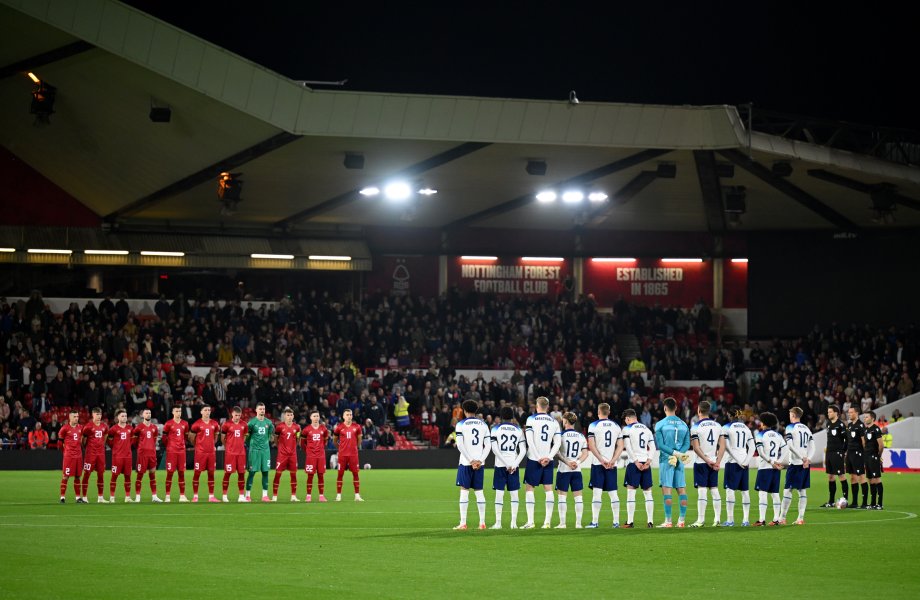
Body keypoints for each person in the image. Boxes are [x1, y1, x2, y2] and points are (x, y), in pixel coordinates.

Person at [522, 396, 562, 529]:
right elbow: (557, 443)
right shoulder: (554, 422)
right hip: (548, 460)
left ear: (537, 406)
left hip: (534, 459)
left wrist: (538, 457)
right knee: (548, 489)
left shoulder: (531, 419)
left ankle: (531, 522)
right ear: (548, 407)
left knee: (529, 488)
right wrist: (549, 457)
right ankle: (547, 522)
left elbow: (530, 441)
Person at [453, 399, 491, 530]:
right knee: (479, 491)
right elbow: (488, 445)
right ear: (476, 411)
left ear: (464, 411)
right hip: (480, 463)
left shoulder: (461, 424)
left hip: (465, 463)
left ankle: (463, 523)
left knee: (464, 491)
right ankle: (482, 523)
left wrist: (470, 460)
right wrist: (480, 460)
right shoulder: (484, 425)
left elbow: (460, 445)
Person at [586, 402, 625, 528]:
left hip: (598, 464)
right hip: (611, 464)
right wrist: (613, 460)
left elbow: (591, 445)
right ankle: (616, 522)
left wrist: (602, 460)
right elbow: (620, 446)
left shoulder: (593, 425)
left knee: (597, 493)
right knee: (613, 493)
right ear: (609, 412)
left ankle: (595, 522)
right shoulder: (616, 426)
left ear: (598, 412)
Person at [654, 397, 691, 528]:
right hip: (680, 460)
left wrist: (673, 454)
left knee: (667, 490)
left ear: (664, 408)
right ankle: (681, 521)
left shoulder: (660, 424)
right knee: (681, 490)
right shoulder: (684, 424)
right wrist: (679, 454)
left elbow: (661, 445)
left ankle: (668, 521)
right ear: (676, 408)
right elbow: (687, 443)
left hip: (666, 460)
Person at [489, 405, 526, 529]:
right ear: (512, 417)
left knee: (499, 494)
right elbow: (523, 450)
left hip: (500, 465)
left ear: (501, 416)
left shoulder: (495, 429)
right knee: (514, 494)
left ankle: (498, 523)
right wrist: (514, 464)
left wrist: (505, 463)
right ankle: (513, 523)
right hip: (513, 465)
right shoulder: (518, 430)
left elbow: (494, 449)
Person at [621, 408, 656, 528]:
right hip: (646, 463)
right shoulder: (646, 429)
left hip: (634, 464)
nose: (625, 422)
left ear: (628, 418)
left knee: (631, 493)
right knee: (648, 493)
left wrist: (635, 461)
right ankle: (650, 521)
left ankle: (630, 522)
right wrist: (648, 461)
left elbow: (627, 446)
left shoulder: (627, 429)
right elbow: (652, 446)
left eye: (626, 420)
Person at [689, 400, 722, 527]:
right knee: (714, 489)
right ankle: (717, 519)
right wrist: (717, 461)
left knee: (702, 491)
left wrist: (707, 460)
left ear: (699, 411)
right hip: (714, 462)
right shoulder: (718, 426)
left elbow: (696, 448)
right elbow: (722, 445)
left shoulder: (695, 426)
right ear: (709, 411)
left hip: (702, 462)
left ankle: (700, 520)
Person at [554, 412, 589, 528]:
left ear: (565, 421)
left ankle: (562, 523)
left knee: (562, 497)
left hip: (564, 470)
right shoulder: (581, 436)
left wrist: (567, 462)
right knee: (578, 498)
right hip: (576, 470)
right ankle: (578, 524)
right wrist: (577, 462)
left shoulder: (561, 435)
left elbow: (557, 453)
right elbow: (585, 453)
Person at [780, 407, 813, 525]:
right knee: (802, 491)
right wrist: (808, 459)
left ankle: (782, 518)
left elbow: (789, 446)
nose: (789, 416)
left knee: (787, 490)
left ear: (793, 415)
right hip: (805, 464)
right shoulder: (806, 428)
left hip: (795, 463)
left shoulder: (790, 427)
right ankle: (800, 518)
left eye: (790, 414)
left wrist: (802, 458)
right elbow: (812, 446)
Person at [721, 409, 754, 526]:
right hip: (745, 462)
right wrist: (746, 460)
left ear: (730, 415)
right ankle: (746, 520)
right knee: (745, 491)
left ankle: (730, 520)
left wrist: (738, 460)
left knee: (730, 490)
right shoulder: (746, 428)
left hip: (733, 462)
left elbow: (727, 446)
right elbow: (752, 447)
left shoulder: (726, 427)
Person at [753, 412, 785, 526]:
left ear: (763, 423)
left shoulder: (760, 435)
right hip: (775, 468)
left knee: (762, 493)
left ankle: (761, 520)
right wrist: (779, 461)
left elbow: (761, 453)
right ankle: (776, 519)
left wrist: (771, 462)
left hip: (765, 467)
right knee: (775, 493)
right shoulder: (778, 435)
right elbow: (785, 450)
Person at [189, 405, 220, 503]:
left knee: (211, 474)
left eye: (209, 410)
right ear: (201, 412)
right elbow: (191, 437)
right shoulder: (196, 424)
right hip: (200, 453)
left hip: (211, 453)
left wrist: (211, 445)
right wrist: (198, 446)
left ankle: (211, 496)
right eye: (205, 410)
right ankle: (195, 496)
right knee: (197, 473)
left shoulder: (215, 424)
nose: (207, 412)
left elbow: (215, 437)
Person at [245, 402, 274, 502]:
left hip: (265, 451)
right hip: (254, 451)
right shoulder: (251, 423)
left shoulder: (269, 423)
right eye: (260, 409)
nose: (262, 410)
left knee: (265, 472)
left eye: (263, 409)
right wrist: (252, 445)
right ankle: (247, 495)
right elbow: (246, 437)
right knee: (252, 472)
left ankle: (265, 495)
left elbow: (270, 435)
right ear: (256, 410)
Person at [821, 405, 849, 507]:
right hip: (829, 452)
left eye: (830, 412)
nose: (828, 414)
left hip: (837, 453)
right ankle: (831, 501)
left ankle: (845, 500)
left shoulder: (840, 424)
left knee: (841, 475)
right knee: (830, 476)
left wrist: (843, 451)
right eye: (828, 412)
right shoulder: (828, 424)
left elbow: (847, 439)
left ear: (836, 413)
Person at [333, 408, 363, 501]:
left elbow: (359, 440)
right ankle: (338, 495)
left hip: (353, 455)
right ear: (343, 416)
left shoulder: (357, 427)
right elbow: (334, 440)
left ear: (352, 416)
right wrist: (340, 449)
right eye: (347, 414)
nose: (349, 416)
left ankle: (357, 495)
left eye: (350, 414)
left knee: (355, 474)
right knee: (340, 474)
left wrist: (355, 448)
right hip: (342, 455)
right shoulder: (339, 427)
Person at [272, 407, 301, 502]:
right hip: (282, 455)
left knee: (293, 475)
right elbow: (276, 439)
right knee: (278, 474)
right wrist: (280, 447)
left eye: (291, 415)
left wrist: (293, 448)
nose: (289, 417)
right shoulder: (279, 427)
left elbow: (297, 439)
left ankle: (293, 496)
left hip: (292, 455)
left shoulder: (297, 427)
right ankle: (275, 496)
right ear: (284, 416)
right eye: (287, 415)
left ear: (293, 416)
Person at [132, 408, 162, 502]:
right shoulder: (138, 427)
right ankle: (137, 496)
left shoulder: (154, 427)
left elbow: (154, 439)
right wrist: (141, 448)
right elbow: (134, 442)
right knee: (140, 475)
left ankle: (154, 496)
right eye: (146, 413)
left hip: (152, 454)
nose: (148, 414)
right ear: (142, 415)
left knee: (152, 475)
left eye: (149, 413)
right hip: (142, 454)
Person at [81, 407, 109, 503]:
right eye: (97, 414)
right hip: (90, 454)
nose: (99, 416)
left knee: (101, 474)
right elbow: (83, 441)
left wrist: (101, 446)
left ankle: (100, 498)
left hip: (100, 454)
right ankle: (84, 497)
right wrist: (88, 448)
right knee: (87, 474)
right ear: (92, 415)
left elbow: (105, 437)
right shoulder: (88, 427)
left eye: (100, 414)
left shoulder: (104, 426)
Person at [162, 405, 190, 502]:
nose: (179, 413)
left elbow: (185, 437)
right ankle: (167, 496)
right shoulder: (168, 424)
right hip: (172, 451)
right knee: (170, 473)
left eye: (180, 411)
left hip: (181, 451)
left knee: (181, 473)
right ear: (173, 412)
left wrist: (181, 444)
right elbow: (164, 438)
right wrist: (170, 446)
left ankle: (182, 496)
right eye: (177, 411)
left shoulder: (185, 423)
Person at [220, 406, 248, 502]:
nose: (237, 417)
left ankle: (241, 496)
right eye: (236, 415)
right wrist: (228, 447)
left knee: (241, 474)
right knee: (227, 473)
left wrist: (240, 445)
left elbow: (245, 436)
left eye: (239, 415)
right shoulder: (226, 425)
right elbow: (222, 438)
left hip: (241, 453)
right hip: (230, 453)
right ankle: (224, 495)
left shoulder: (244, 424)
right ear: (232, 414)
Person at [301, 410, 330, 502]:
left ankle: (321, 496)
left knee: (321, 475)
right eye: (314, 416)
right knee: (310, 475)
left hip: (321, 456)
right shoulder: (306, 430)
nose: (316, 418)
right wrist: (309, 451)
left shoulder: (323, 429)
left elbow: (325, 440)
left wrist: (321, 448)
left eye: (317, 416)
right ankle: (308, 496)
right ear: (310, 418)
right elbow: (302, 443)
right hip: (311, 456)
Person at [106, 409, 133, 502]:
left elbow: (133, 440)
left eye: (125, 416)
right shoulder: (113, 429)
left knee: (128, 476)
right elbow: (109, 440)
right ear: (118, 418)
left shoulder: (130, 428)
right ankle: (112, 497)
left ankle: (128, 497)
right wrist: (115, 448)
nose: (124, 417)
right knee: (114, 476)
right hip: (117, 456)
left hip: (128, 456)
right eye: (122, 416)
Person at [58, 410, 84, 503]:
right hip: (69, 456)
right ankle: (62, 497)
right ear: (70, 417)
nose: (76, 418)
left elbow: (83, 440)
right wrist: (65, 452)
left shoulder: (81, 427)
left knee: (77, 476)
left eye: (77, 416)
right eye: (74, 417)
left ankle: (78, 498)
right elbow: (60, 443)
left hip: (79, 456)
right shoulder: (64, 428)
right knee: (66, 476)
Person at [845, 406, 868, 509]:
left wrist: (865, 455)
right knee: (853, 477)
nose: (849, 414)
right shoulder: (849, 425)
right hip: (850, 454)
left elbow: (864, 442)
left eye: (851, 412)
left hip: (858, 454)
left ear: (856, 413)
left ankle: (864, 502)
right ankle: (854, 502)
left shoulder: (861, 425)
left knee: (861, 477)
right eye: (848, 412)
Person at [862, 411, 884, 509]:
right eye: (864, 417)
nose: (865, 418)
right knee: (870, 480)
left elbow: (881, 445)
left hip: (874, 456)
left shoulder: (876, 429)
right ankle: (873, 503)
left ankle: (880, 503)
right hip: (867, 457)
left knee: (877, 479)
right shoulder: (866, 430)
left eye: (867, 417)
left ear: (872, 418)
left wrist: (878, 456)